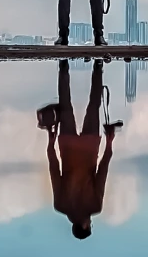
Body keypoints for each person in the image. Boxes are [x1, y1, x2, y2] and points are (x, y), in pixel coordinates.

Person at [46, 59, 115, 240]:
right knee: (65, 104)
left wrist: (109, 144)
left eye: (89, 225)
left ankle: (98, 66)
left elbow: (102, 172)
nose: (90, 223)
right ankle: (63, 66)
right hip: (67, 147)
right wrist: (50, 144)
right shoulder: (60, 205)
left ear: (85, 226)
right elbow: (54, 170)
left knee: (94, 105)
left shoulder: (95, 207)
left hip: (89, 147)